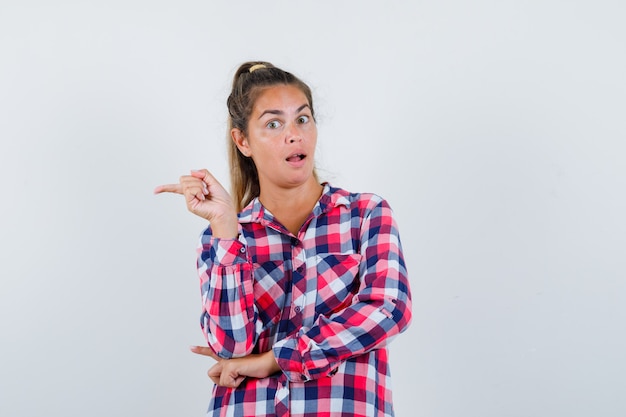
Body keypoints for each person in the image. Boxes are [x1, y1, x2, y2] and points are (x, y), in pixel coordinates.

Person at [154, 61, 412, 417]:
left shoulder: (365, 214)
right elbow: (232, 346)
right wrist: (227, 228)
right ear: (242, 140)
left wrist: (274, 359)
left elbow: (387, 310)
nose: (294, 134)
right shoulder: (221, 238)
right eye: (274, 124)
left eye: (302, 119)